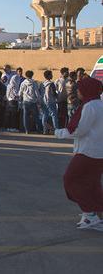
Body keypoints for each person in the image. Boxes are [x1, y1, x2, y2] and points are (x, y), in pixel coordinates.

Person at [55, 76, 103, 229]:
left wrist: (59, 133)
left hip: (88, 151)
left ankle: (90, 214)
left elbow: (80, 130)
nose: (78, 92)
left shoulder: (89, 106)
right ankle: (98, 212)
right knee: (92, 184)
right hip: (98, 152)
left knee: (70, 180)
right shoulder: (100, 104)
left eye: (80, 89)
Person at [4, 67, 24, 132]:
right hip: (13, 101)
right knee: (14, 115)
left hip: (9, 101)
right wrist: (19, 97)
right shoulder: (14, 86)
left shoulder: (9, 85)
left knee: (9, 115)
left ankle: (9, 127)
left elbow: (7, 94)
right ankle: (13, 127)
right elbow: (16, 94)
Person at [19, 70, 39, 135]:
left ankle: (27, 130)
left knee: (25, 117)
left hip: (25, 101)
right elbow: (37, 92)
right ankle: (38, 129)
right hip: (33, 102)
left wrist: (20, 99)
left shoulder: (23, 83)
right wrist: (39, 100)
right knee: (36, 116)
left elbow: (20, 92)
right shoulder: (34, 83)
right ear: (32, 75)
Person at [41, 70, 59, 134]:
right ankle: (56, 130)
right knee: (54, 115)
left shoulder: (42, 83)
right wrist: (58, 95)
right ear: (48, 76)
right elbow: (54, 93)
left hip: (43, 101)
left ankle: (45, 130)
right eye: (51, 74)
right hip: (50, 101)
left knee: (45, 115)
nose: (52, 76)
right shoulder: (51, 84)